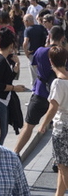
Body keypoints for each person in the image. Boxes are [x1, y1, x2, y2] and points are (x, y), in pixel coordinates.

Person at [14, 27, 66, 158]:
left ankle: (15, 153)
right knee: (58, 127)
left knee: (29, 126)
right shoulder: (63, 54)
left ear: (49, 36)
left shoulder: (41, 51)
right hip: (58, 95)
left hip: (40, 93)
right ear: (62, 39)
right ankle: (57, 157)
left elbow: (35, 66)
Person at [39, 46, 68, 196]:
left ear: (51, 61)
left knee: (63, 167)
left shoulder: (57, 83)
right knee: (62, 167)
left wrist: (43, 125)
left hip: (62, 128)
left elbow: (53, 108)